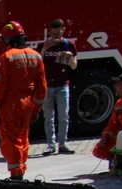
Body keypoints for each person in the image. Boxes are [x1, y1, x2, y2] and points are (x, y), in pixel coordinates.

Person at [0, 22, 47, 180]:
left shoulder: (6, 57)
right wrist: (36, 109)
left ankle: (16, 175)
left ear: (8, 40)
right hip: (28, 101)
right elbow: (42, 89)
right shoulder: (36, 56)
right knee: (23, 136)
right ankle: (21, 168)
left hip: (10, 103)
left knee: (10, 139)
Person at [40, 19, 78, 155]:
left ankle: (62, 144)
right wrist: (45, 49)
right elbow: (38, 63)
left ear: (63, 30)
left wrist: (69, 59)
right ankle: (50, 145)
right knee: (48, 116)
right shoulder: (43, 44)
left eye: (58, 34)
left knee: (63, 115)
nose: (55, 37)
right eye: (53, 34)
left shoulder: (69, 45)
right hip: (47, 85)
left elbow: (74, 66)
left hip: (63, 85)